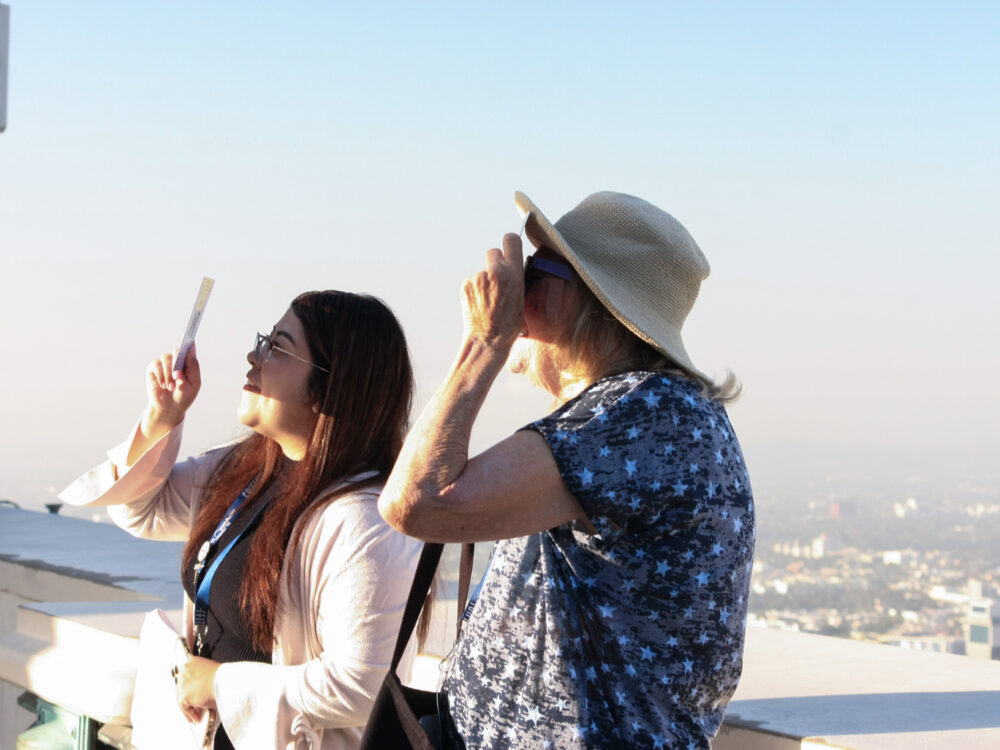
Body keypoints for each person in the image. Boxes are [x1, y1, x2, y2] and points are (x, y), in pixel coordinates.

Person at [378, 192, 755, 749]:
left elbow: (415, 500)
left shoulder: (643, 413)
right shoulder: (650, 413)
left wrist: (485, 341)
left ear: (589, 305)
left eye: (535, 274)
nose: (514, 294)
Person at [60, 291, 424, 750]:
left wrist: (220, 685)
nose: (254, 356)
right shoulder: (246, 470)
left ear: (327, 389)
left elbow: (363, 688)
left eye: (278, 346)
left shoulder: (364, 520)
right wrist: (162, 417)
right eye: (264, 340)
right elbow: (141, 510)